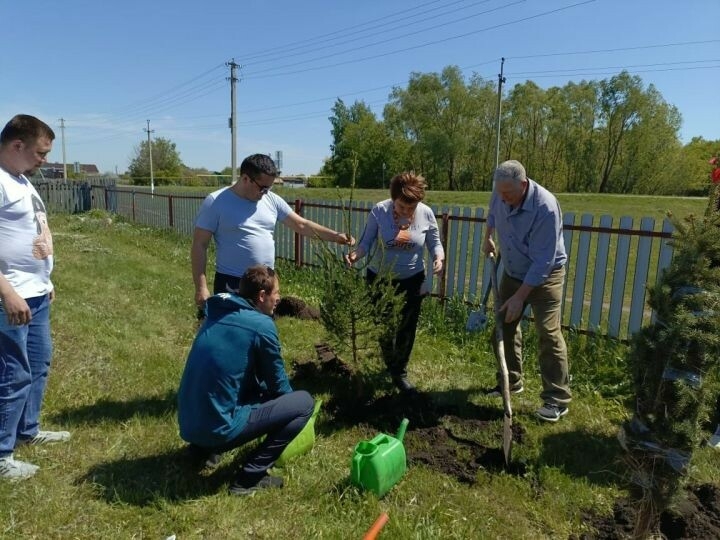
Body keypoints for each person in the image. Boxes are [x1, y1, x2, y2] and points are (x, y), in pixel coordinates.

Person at [177, 265, 314, 495]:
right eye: (276, 293)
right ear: (262, 296)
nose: (279, 297)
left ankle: (201, 451)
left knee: (240, 384)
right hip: (217, 430)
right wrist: (288, 411)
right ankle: (249, 477)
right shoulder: (261, 326)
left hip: (188, 424)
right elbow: (279, 387)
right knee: (303, 404)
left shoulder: (217, 312)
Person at [0, 114, 71, 480]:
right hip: (10, 298)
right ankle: (1, 455)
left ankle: (27, 430)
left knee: (38, 364)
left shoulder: (21, 179)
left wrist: (45, 279)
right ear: (17, 146)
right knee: (13, 374)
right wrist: (8, 292)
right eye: (40, 153)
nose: (44, 160)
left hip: (36, 293)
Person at [191, 153, 354, 310]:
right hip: (232, 282)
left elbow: (301, 225)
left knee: (264, 331)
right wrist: (201, 287)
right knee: (231, 331)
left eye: (269, 188)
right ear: (245, 178)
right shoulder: (216, 202)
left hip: (266, 283)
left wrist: (335, 236)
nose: (265, 193)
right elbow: (200, 244)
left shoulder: (271, 200)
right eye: (262, 188)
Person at [482, 160, 571, 422]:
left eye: (508, 193)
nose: (502, 197)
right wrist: (488, 235)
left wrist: (520, 298)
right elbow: (492, 213)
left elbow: (544, 260)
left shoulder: (545, 207)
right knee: (503, 326)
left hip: (546, 276)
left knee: (548, 333)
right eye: (499, 192)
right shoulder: (501, 191)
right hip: (513, 271)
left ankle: (556, 399)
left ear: (523, 184)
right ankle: (511, 382)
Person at [346, 172, 444, 392]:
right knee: (384, 325)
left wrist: (439, 257)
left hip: (413, 280)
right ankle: (390, 363)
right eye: (401, 207)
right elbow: (366, 241)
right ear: (393, 199)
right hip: (380, 278)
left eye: (411, 208)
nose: (406, 211)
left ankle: (399, 372)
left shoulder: (426, 213)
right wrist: (355, 255)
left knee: (407, 327)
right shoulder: (379, 211)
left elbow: (435, 243)